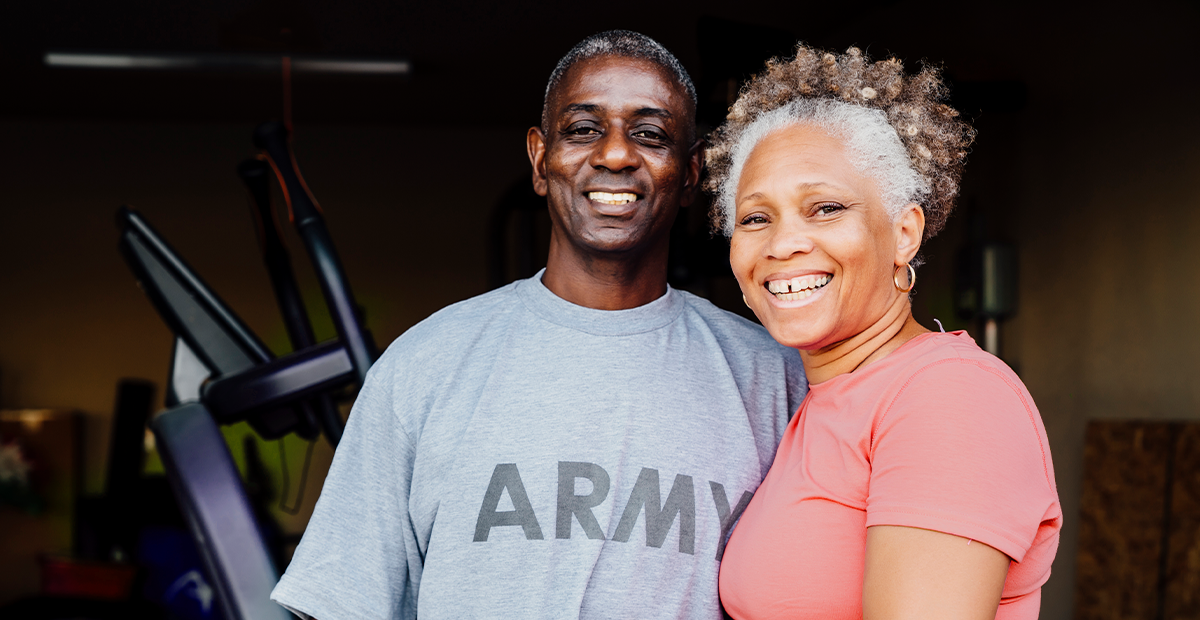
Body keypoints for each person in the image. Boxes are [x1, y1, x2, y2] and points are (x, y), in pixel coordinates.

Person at [270, 30, 806, 620]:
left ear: (691, 172)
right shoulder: (425, 365)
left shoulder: (773, 378)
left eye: (651, 135)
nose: (616, 155)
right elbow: (340, 603)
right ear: (539, 158)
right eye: (583, 129)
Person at [706, 45, 1061, 619]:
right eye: (755, 217)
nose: (783, 243)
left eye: (824, 208)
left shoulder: (949, 397)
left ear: (904, 233)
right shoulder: (817, 402)